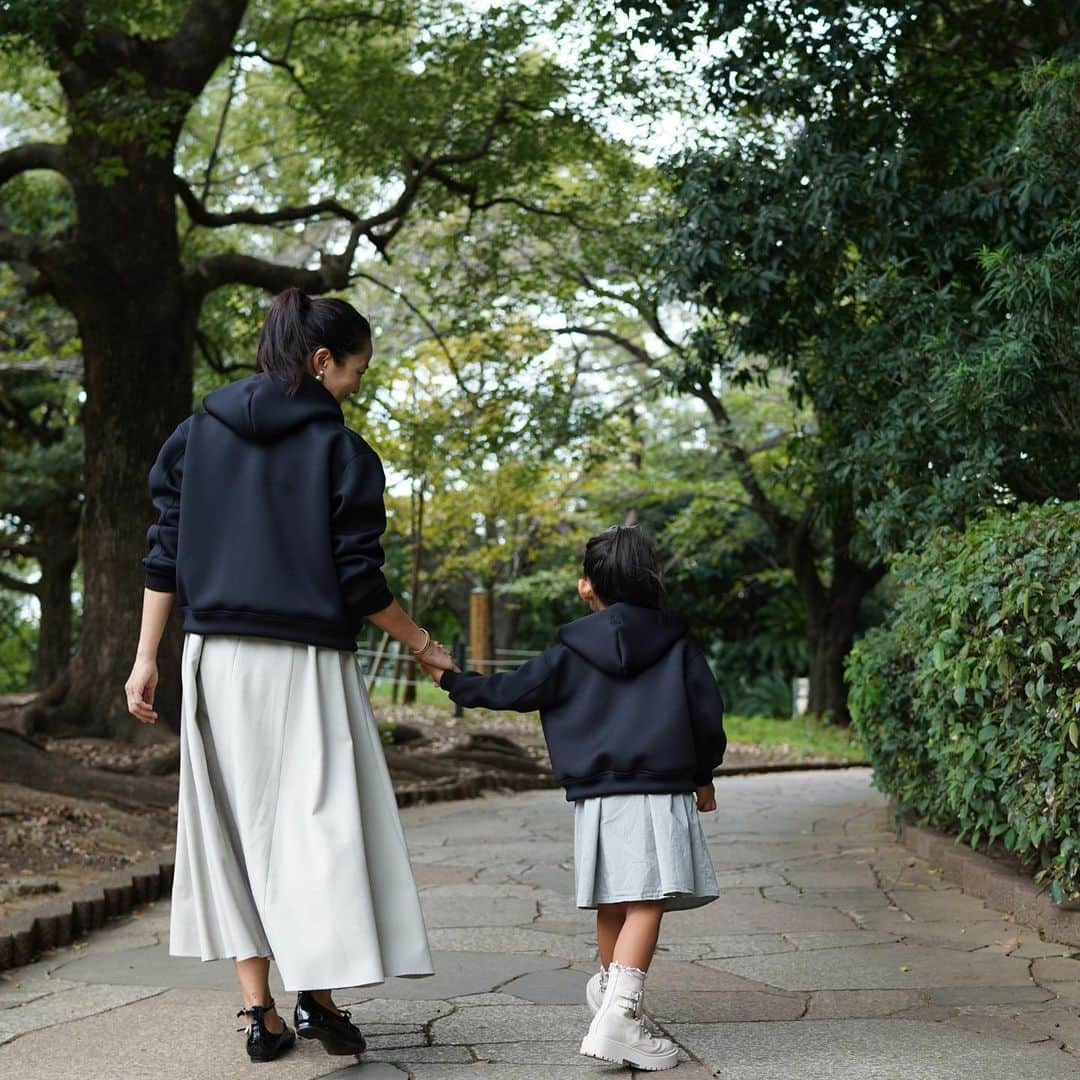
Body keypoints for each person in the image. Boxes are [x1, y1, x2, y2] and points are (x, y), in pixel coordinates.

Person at [125, 287, 455, 1064]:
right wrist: (421, 643)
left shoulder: (193, 438)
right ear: (320, 361)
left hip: (214, 659)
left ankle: (258, 1013)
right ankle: (320, 1002)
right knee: (320, 832)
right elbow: (358, 580)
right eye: (355, 372)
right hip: (306, 665)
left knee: (232, 832)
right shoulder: (342, 453)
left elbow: (164, 551)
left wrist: (147, 657)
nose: (356, 387)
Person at [422, 525, 726, 1071]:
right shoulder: (677, 644)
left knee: (615, 899)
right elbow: (707, 716)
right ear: (649, 580)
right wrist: (703, 775)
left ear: (587, 588)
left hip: (598, 798)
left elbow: (511, 691)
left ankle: (612, 995)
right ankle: (621, 1017)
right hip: (658, 790)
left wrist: (452, 680)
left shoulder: (569, 649)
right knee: (647, 901)